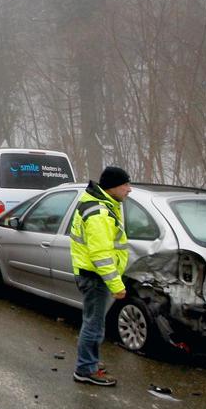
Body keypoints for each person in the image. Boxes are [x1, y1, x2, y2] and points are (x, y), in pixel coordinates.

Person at [70, 165, 132, 386]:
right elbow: (101, 255)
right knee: (94, 326)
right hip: (96, 277)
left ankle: (90, 361)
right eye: (125, 184)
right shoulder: (99, 213)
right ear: (113, 187)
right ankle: (86, 369)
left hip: (92, 274)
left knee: (93, 323)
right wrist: (116, 285)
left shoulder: (101, 203)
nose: (129, 189)